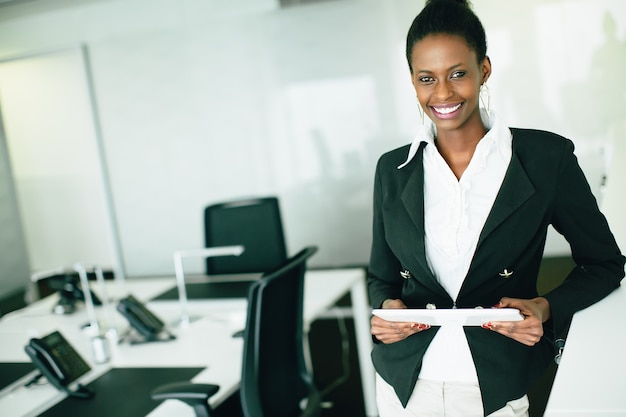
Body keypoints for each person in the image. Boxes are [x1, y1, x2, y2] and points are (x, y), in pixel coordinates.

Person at [367, 1, 626, 416]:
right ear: (413, 83)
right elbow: (381, 277)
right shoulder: (393, 169)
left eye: (458, 74)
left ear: (484, 69)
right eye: (427, 79)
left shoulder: (545, 158)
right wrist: (387, 312)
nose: (443, 93)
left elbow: (605, 265)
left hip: (492, 384)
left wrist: (545, 307)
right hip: (402, 387)